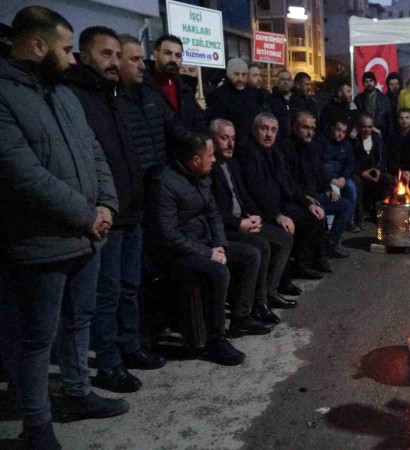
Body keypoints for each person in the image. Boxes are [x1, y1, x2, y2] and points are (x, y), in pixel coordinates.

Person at [0, 7, 126, 448]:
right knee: (38, 339)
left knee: (80, 321)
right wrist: (85, 213)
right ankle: (37, 426)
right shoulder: (4, 96)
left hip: (88, 236)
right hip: (40, 241)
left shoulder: (63, 95)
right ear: (37, 45)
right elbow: (22, 173)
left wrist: (107, 203)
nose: (72, 60)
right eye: (67, 49)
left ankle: (77, 393)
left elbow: (94, 152)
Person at [68, 26, 166, 394]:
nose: (116, 63)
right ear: (85, 55)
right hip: (108, 215)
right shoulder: (78, 98)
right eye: (107, 55)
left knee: (129, 287)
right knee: (106, 295)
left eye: (117, 56)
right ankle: (109, 363)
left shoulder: (116, 97)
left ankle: (130, 347)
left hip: (133, 210)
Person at [145, 132, 257, 362]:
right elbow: (167, 235)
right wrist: (208, 253)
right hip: (178, 252)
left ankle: (241, 317)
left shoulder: (201, 177)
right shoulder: (164, 183)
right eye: (210, 155)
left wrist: (220, 245)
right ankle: (216, 341)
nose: (214, 160)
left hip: (205, 242)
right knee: (217, 272)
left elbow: (214, 214)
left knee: (251, 254)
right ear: (195, 159)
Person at [208, 119, 297, 323]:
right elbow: (211, 211)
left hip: (244, 220)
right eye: (224, 139)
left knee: (284, 238)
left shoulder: (232, 163)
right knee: (261, 247)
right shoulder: (210, 168)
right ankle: (255, 305)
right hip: (227, 228)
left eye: (232, 138)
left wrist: (255, 215)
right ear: (212, 140)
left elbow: (244, 195)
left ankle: (269, 293)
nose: (230, 144)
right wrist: (238, 223)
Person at [236, 113, 329, 278]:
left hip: (280, 204)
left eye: (273, 130)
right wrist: (278, 215)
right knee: (287, 230)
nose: (269, 134)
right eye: (264, 129)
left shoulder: (275, 152)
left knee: (315, 216)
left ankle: (302, 266)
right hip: (262, 210)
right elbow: (256, 190)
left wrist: (308, 203)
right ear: (254, 130)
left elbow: (289, 183)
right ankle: (281, 280)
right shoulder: (247, 153)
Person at [284, 111, 353, 258]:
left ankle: (330, 245)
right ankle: (318, 256)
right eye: (305, 128)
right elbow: (289, 182)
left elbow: (320, 172)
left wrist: (328, 188)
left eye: (312, 128)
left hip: (315, 195)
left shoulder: (312, 147)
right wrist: (306, 199)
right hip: (299, 199)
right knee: (319, 212)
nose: (309, 132)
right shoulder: (287, 149)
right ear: (295, 127)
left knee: (346, 205)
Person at [116, 34, 183, 177]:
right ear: (117, 60)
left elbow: (175, 129)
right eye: (135, 59)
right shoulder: (110, 100)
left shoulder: (152, 94)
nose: (142, 66)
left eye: (141, 59)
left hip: (161, 179)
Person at [144, 34, 205, 132]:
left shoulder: (184, 89)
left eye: (178, 55)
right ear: (155, 54)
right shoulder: (142, 85)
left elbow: (197, 121)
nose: (173, 59)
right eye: (168, 53)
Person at [205, 58, 266, 147]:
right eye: (236, 74)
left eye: (244, 75)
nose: (240, 78)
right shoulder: (218, 96)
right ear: (229, 74)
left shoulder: (255, 94)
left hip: (252, 146)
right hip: (230, 146)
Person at [315, 119, 360, 232]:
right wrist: (330, 180)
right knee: (335, 193)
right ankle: (330, 228)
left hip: (341, 177)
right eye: (338, 130)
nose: (341, 134)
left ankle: (347, 220)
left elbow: (350, 163)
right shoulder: (322, 142)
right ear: (332, 129)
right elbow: (318, 164)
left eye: (344, 132)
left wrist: (343, 177)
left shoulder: (347, 144)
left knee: (352, 189)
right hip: (327, 178)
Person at [352, 114, 395, 224]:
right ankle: (359, 219)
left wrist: (378, 170)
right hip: (360, 173)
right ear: (359, 127)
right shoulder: (353, 140)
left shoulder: (377, 138)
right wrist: (362, 172)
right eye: (364, 127)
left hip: (375, 171)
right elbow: (351, 160)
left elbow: (382, 157)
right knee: (355, 182)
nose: (367, 130)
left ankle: (383, 215)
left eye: (370, 127)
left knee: (388, 179)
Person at [354, 71, 393, 138]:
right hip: (364, 134)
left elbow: (389, 119)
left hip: (381, 134)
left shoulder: (384, 98)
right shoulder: (358, 99)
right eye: (366, 81)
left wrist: (389, 136)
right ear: (363, 84)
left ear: (375, 82)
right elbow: (356, 118)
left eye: (371, 81)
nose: (369, 83)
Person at [267, 69, 296, 142]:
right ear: (277, 82)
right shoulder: (270, 101)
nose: (286, 82)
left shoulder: (297, 101)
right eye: (283, 79)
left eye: (288, 79)